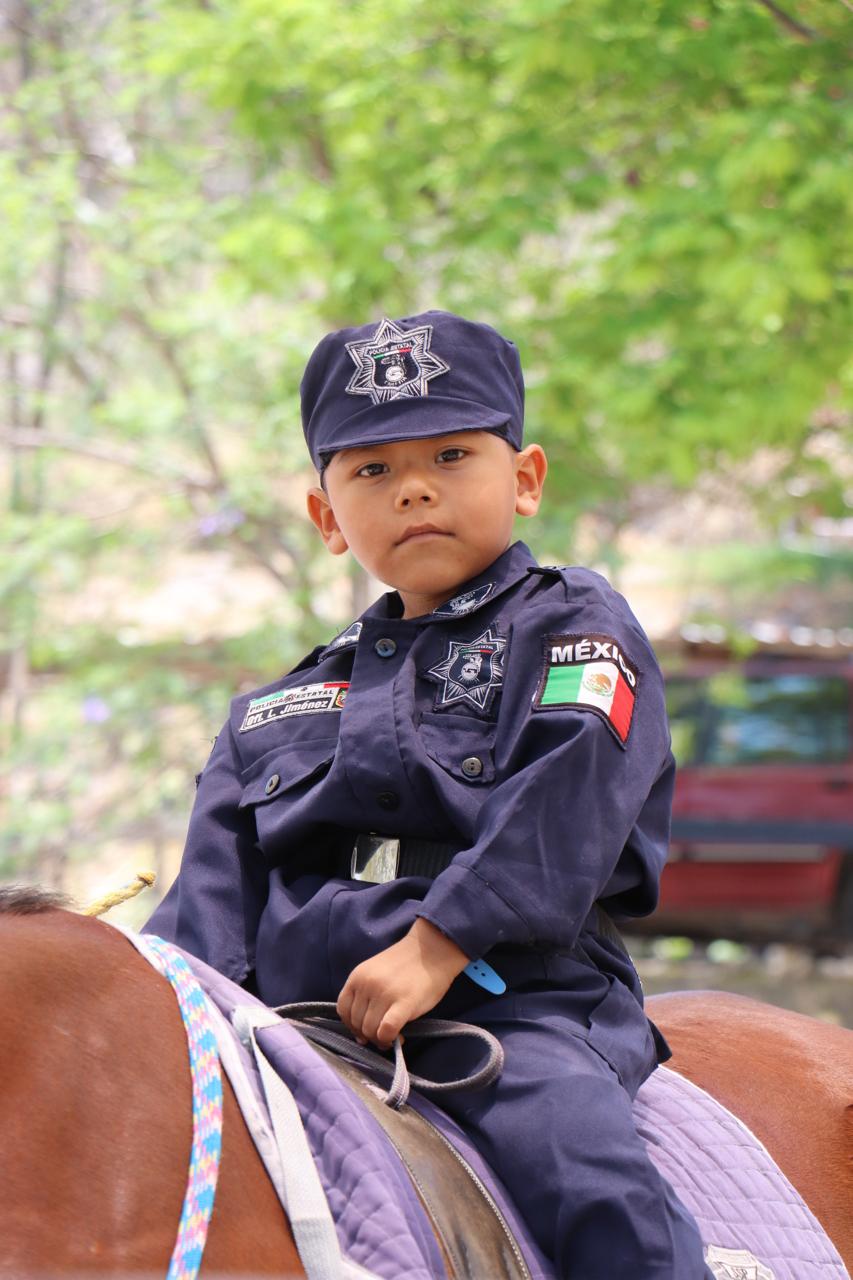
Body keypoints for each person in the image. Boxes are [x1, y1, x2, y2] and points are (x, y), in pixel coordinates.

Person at [146, 310, 712, 1278]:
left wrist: (436, 944)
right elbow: (204, 914)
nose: (413, 486)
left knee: (586, 1174)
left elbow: (569, 798)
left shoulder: (575, 624)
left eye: (450, 454)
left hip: (512, 1007)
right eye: (372, 469)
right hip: (287, 1025)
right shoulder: (271, 710)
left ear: (524, 478)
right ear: (327, 518)